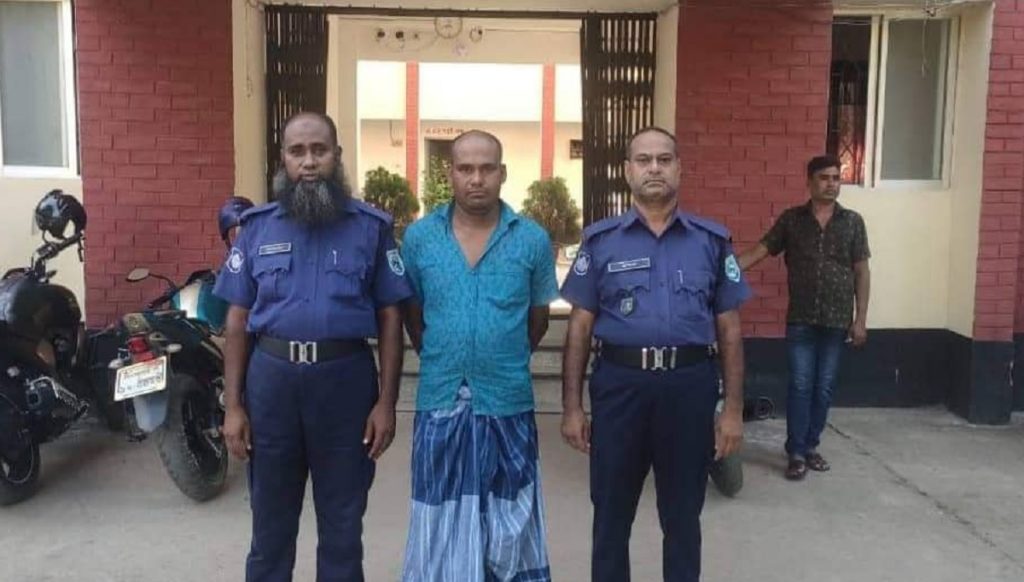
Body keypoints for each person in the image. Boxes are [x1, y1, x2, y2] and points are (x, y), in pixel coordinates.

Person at [213, 112, 412, 582]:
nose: (308, 162)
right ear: (283, 159)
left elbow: (391, 318)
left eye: (319, 150)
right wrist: (233, 406)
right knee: (270, 526)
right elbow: (236, 321)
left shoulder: (370, 228)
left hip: (345, 384)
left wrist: (386, 403)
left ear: (336, 156)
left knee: (343, 527)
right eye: (297, 151)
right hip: (272, 384)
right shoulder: (257, 228)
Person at [560, 126, 750, 582]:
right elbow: (579, 327)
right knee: (611, 513)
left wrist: (732, 410)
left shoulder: (711, 241)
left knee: (683, 515)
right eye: (643, 160)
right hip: (620, 386)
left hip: (689, 387)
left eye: (664, 159)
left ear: (680, 168)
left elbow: (729, 329)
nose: (654, 168)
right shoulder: (600, 242)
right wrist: (572, 407)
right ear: (628, 171)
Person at [399, 130, 558, 582]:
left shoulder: (531, 239)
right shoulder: (420, 238)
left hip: (508, 402)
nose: (476, 179)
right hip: (440, 401)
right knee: (438, 516)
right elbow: (413, 315)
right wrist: (446, 354)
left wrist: (499, 356)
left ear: (502, 173)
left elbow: (538, 320)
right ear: (450, 173)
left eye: (487, 168)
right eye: (465, 168)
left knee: (512, 518)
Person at [737, 154, 871, 481]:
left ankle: (811, 446)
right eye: (824, 178)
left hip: (837, 321)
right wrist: (723, 271)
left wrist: (860, 319)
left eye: (836, 178)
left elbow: (862, 272)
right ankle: (796, 452)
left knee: (823, 388)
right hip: (801, 320)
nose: (831, 184)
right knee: (799, 385)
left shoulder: (853, 222)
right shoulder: (792, 221)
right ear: (809, 182)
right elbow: (760, 251)